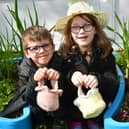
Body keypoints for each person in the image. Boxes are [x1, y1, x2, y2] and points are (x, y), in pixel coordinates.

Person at [54, 1, 119, 129]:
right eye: (75, 27)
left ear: (95, 29)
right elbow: (59, 79)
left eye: (87, 25)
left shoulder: (104, 52)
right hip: (74, 111)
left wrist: (98, 79)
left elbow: (113, 79)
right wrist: (71, 75)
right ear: (70, 32)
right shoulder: (65, 54)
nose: (81, 31)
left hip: (98, 108)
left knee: (95, 126)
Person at [0, 26, 67, 129]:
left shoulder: (59, 61)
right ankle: (40, 122)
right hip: (36, 103)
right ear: (27, 53)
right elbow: (26, 96)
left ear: (53, 47)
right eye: (35, 48)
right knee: (32, 108)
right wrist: (34, 80)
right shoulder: (25, 68)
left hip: (57, 104)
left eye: (45, 46)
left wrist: (58, 77)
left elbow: (67, 90)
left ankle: (58, 120)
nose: (41, 51)